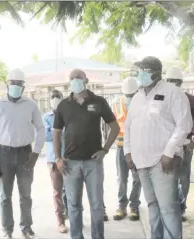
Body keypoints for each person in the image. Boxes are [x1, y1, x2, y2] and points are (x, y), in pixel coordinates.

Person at [124, 56, 192, 239]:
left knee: (168, 208)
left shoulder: (173, 93)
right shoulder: (138, 96)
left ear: (154, 73)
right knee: (152, 206)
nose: (139, 74)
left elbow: (184, 125)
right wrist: (128, 151)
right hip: (141, 162)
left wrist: (169, 152)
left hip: (162, 161)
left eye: (143, 71)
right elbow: (129, 126)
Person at [53, 69, 120, 239]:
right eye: (72, 78)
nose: (75, 80)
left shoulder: (98, 102)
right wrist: (58, 158)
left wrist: (105, 149)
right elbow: (57, 133)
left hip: (93, 163)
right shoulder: (63, 105)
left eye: (78, 78)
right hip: (70, 164)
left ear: (86, 80)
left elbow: (114, 126)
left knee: (97, 205)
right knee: (74, 205)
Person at [0, 68, 45, 239]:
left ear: (23, 86)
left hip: (25, 154)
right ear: (7, 84)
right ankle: (7, 230)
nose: (15, 86)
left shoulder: (31, 105)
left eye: (19, 84)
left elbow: (41, 128)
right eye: (12, 83)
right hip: (4, 154)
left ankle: (26, 228)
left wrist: (36, 153)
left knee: (26, 194)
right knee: (4, 195)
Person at [166, 66, 194, 221]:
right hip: (168, 146)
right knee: (169, 178)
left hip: (185, 145)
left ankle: (181, 208)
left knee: (183, 178)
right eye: (170, 81)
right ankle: (173, 208)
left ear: (180, 82)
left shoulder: (189, 99)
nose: (172, 83)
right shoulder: (162, 98)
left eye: (175, 81)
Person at [111, 77, 142, 221]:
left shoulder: (143, 103)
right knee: (122, 178)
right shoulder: (116, 104)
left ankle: (134, 205)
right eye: (128, 95)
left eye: (132, 95)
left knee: (137, 178)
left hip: (138, 147)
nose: (130, 97)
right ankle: (121, 206)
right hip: (121, 146)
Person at [42, 89, 69, 233]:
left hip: (70, 158)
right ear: (49, 99)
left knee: (71, 191)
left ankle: (73, 216)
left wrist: (56, 132)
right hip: (53, 159)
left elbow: (72, 135)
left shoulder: (68, 115)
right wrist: (60, 132)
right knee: (57, 192)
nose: (55, 98)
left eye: (57, 96)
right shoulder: (46, 117)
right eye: (52, 96)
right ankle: (60, 221)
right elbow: (45, 136)